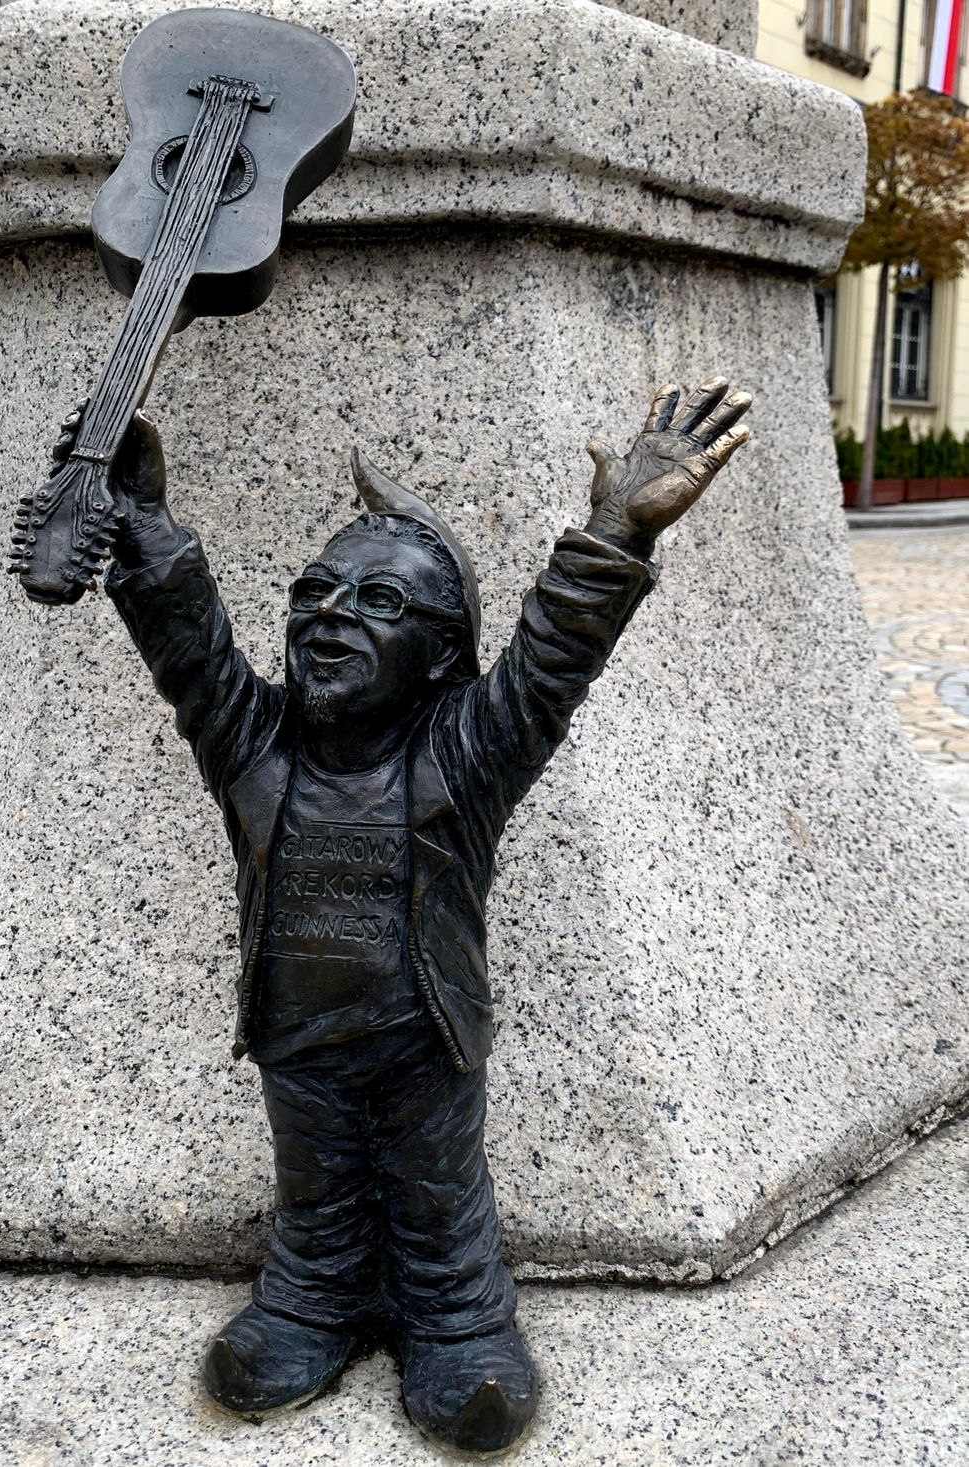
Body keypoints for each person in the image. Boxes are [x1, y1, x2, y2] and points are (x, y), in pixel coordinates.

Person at [51, 377, 749, 1454]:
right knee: (313, 1191)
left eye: (378, 603)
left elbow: (547, 667)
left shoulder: (463, 753)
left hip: (420, 1037)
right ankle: (307, 1304)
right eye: (314, 592)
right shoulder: (251, 743)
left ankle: (459, 1324)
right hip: (297, 1038)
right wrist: (145, 526)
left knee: (436, 1193)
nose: (329, 616)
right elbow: (188, 649)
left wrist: (612, 534)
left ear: (437, 654)